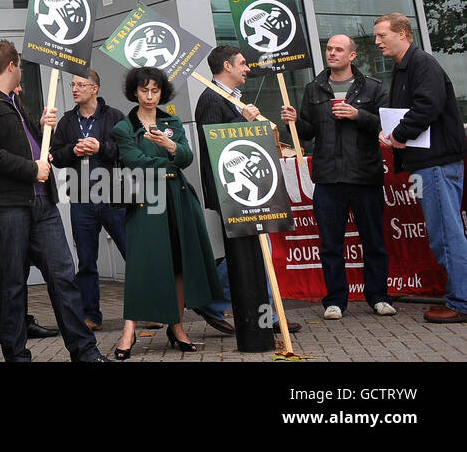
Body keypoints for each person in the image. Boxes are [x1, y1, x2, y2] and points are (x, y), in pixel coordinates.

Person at [0, 40, 106, 362]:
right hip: (7, 207)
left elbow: (29, 149)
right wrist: (31, 169)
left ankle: (85, 353)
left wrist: (41, 130)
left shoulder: (12, 101)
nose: (22, 70)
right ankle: (17, 356)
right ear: (12, 65)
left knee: (63, 277)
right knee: (14, 284)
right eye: (21, 65)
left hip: (42, 204)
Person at [282, 34, 394, 319]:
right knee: (330, 244)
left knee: (374, 241)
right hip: (329, 178)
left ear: (352, 56)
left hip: (365, 176)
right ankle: (335, 301)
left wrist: (358, 115)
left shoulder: (373, 87)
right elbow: (308, 132)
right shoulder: (314, 88)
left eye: (338, 49)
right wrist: (295, 121)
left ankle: (379, 296)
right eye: (329, 48)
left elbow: (388, 126)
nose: (331, 53)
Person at [111, 67, 220, 358]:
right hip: (146, 201)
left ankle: (178, 327)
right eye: (144, 90)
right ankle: (128, 330)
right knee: (140, 266)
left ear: (162, 92)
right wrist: (171, 160)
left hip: (179, 199)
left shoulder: (172, 122)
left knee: (179, 264)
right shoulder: (124, 127)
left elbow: (187, 156)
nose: (149, 96)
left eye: (155, 90)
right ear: (134, 91)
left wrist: (172, 146)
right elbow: (137, 164)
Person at [193, 44, 292, 337]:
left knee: (254, 250)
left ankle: (263, 314)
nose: (247, 68)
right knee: (252, 252)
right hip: (231, 192)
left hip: (244, 191)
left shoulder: (232, 98)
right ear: (227, 66)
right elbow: (216, 143)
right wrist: (243, 121)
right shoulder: (211, 99)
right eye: (242, 63)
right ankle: (234, 307)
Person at [374, 13, 467, 323]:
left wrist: (398, 135)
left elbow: (426, 106)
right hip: (429, 163)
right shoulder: (406, 67)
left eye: (382, 35)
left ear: (403, 34)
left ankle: (461, 303)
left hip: (436, 164)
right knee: (443, 233)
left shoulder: (420, 64)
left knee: (446, 234)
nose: (377, 42)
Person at [42, 70, 126, 331]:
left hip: (114, 197)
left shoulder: (115, 117)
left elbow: (127, 152)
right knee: (86, 261)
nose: (75, 89)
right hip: (81, 198)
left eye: (81, 85)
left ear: (95, 88)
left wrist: (101, 148)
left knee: (133, 254)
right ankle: (91, 315)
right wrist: (73, 150)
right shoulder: (67, 121)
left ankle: (146, 309)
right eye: (73, 85)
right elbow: (55, 156)